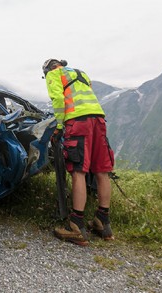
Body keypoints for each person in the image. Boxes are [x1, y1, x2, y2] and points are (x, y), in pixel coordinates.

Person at [42, 58, 115, 246]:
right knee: (101, 170)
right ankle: (102, 222)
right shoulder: (80, 72)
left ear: (48, 69)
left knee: (78, 171)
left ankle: (76, 225)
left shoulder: (53, 74)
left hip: (78, 122)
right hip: (98, 119)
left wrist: (59, 126)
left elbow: (58, 99)